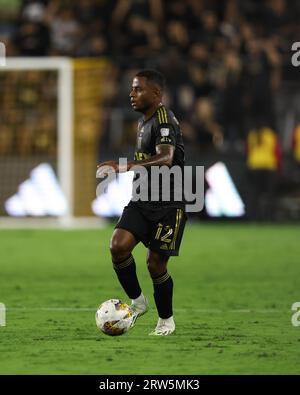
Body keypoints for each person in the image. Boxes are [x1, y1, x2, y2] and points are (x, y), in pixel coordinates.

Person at [97, 69, 186, 336]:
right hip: (142, 200)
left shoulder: (164, 119)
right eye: (132, 88)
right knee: (118, 246)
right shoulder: (144, 121)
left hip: (169, 205)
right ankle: (137, 303)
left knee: (155, 264)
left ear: (156, 93)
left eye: (138, 89)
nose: (131, 94)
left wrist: (123, 165)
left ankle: (166, 320)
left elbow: (166, 157)